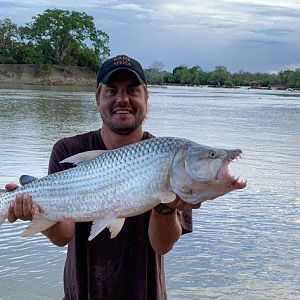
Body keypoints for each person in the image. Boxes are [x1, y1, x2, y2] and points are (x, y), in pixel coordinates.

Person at [5, 55, 200, 300]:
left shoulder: (167, 155)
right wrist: (34, 211)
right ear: (98, 99)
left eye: (132, 90)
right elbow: (62, 236)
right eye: (111, 91)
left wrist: (164, 207)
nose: (122, 99)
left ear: (146, 99)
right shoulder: (67, 151)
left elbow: (163, 246)